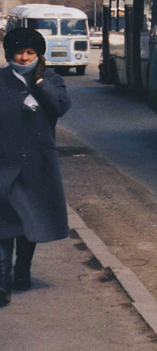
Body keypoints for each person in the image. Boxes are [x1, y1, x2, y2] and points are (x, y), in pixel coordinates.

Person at [0, 28, 72, 307]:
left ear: (39, 54)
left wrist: (39, 82)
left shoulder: (51, 79)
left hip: (36, 166)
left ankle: (22, 272)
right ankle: (2, 284)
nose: (24, 57)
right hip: (4, 163)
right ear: (9, 54)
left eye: (30, 52)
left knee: (28, 222)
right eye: (19, 52)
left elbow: (60, 107)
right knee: (5, 223)